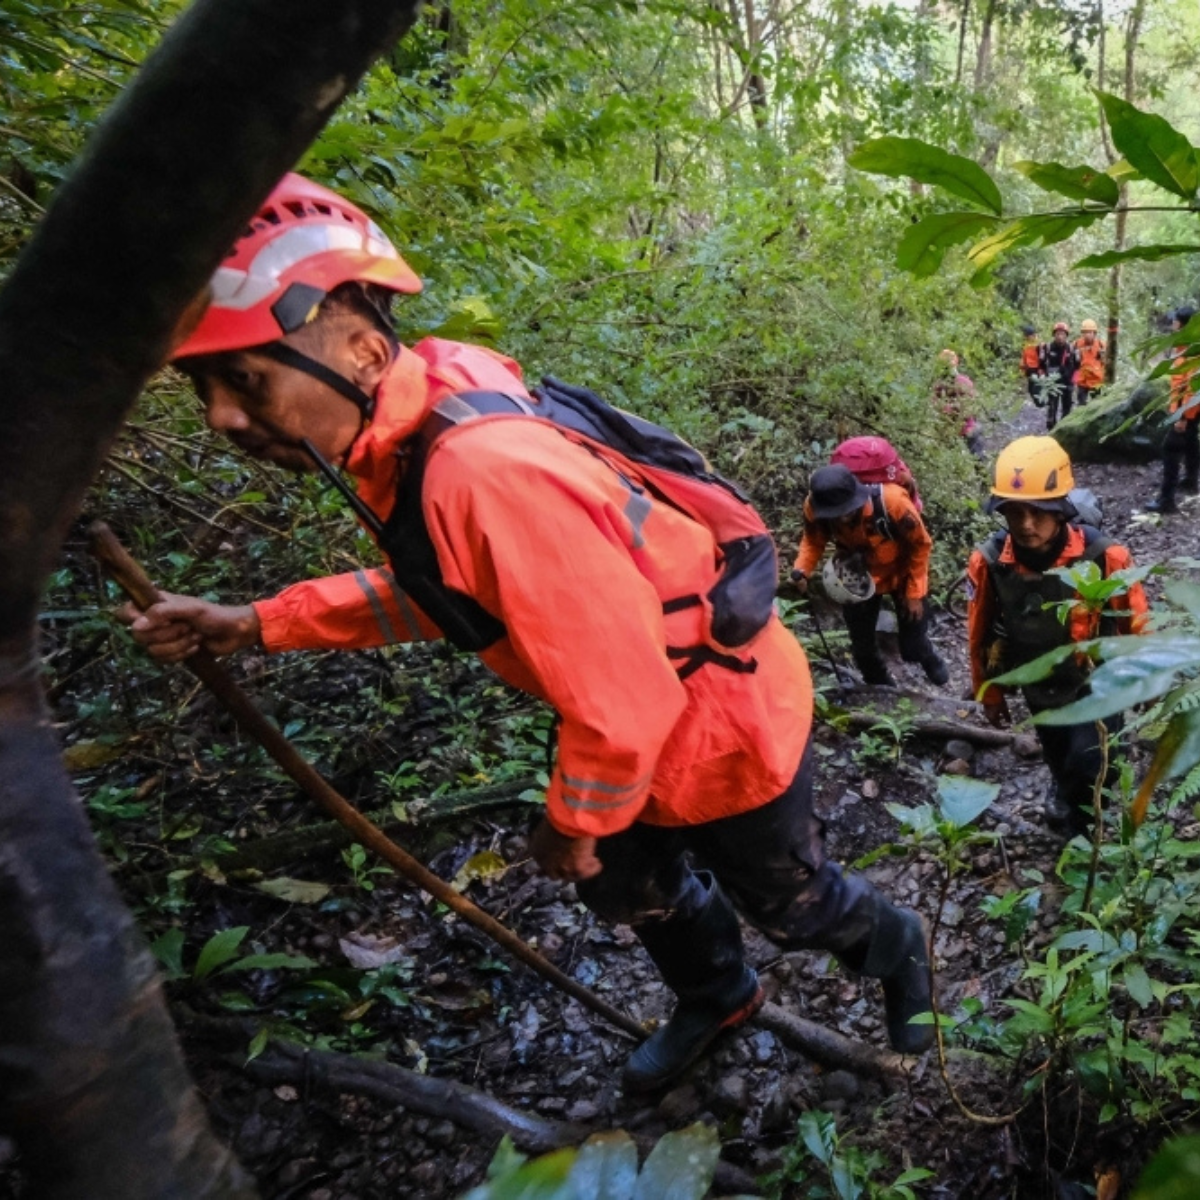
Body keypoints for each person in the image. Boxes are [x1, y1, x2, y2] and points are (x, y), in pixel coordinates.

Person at [123, 173, 934, 1091]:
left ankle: (897, 943)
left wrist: (569, 826)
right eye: (204, 385)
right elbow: (452, 593)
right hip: (632, 725)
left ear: (361, 351)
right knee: (628, 886)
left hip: (718, 724)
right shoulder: (421, 431)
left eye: (243, 379)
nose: (221, 415)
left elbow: (624, 701)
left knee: (790, 903)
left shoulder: (482, 471)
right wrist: (257, 623)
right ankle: (719, 995)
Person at [967, 437, 1149, 834]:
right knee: (1057, 751)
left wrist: (1149, 681)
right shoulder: (991, 563)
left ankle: (1082, 834)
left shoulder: (1106, 557)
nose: (1026, 524)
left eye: (1038, 512)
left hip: (1097, 683)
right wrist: (989, 691)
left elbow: (1136, 622)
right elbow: (979, 630)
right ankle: (1066, 790)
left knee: (1092, 763)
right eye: (1014, 512)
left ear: (1061, 510)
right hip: (1040, 683)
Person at [791, 464, 949, 687]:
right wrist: (802, 569)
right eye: (834, 514)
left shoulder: (893, 503)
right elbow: (813, 540)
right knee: (862, 648)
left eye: (844, 512)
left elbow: (920, 545)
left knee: (912, 645)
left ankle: (928, 656)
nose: (839, 518)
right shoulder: (816, 507)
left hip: (902, 573)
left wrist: (914, 593)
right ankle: (882, 689)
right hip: (857, 577)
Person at [1146, 304, 1199, 515]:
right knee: (1191, 441)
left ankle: (1167, 500)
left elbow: (1190, 386)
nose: (1172, 323)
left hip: (1186, 409)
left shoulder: (1192, 351)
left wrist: (1181, 416)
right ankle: (1191, 480)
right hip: (1191, 409)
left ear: (1183, 325)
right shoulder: (1186, 345)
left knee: (1170, 449)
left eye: (1175, 321)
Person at [933, 348, 983, 457]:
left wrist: (950, 409)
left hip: (960, 428)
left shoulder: (960, 382)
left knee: (974, 452)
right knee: (974, 453)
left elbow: (973, 403)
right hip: (954, 429)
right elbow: (935, 404)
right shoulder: (941, 384)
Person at [1041, 322, 1075, 430]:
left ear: (1066, 335)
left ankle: (1064, 430)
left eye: (1062, 334)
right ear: (1054, 335)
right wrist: (1044, 379)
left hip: (1067, 383)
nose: (1060, 337)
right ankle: (1051, 430)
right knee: (1051, 409)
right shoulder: (1048, 348)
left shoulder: (1071, 349)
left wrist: (1073, 382)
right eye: (1058, 334)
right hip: (1053, 383)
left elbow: (1077, 367)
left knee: (1067, 410)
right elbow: (1041, 365)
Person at [1072, 318, 1106, 408]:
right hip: (1082, 381)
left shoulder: (1101, 345)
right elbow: (1074, 365)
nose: (1087, 335)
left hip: (1096, 381)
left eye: (1089, 332)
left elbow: (1106, 364)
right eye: (1085, 332)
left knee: (1096, 407)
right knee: (1081, 406)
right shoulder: (1076, 344)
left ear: (1094, 333)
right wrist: (1074, 381)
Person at [1019, 323, 1046, 408]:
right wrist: (1023, 368)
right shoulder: (1027, 345)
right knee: (1031, 389)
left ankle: (1042, 403)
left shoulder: (1040, 345)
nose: (1026, 337)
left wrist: (1042, 370)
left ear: (1033, 335)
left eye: (1027, 335)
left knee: (1036, 388)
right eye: (1026, 336)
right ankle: (1041, 403)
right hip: (1030, 370)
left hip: (1037, 370)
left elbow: (1043, 359)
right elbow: (1024, 357)